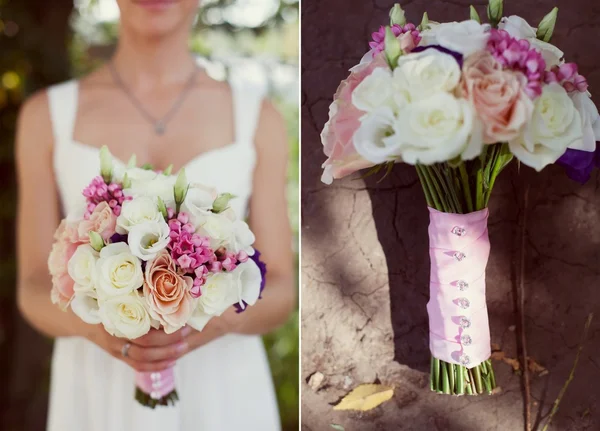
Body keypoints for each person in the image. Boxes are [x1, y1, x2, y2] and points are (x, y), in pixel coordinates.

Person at [15, 0, 295, 429]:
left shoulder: (259, 118)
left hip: (222, 389)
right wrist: (100, 329)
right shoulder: (44, 118)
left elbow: (280, 290)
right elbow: (33, 286)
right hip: (98, 389)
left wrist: (206, 325)